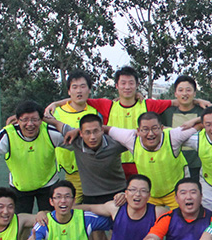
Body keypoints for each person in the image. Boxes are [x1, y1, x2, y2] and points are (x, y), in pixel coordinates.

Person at [45, 66, 185, 178]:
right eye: (123, 83)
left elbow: (177, 102)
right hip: (114, 165)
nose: (127, 87)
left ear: (137, 85)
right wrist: (55, 104)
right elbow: (80, 98)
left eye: (131, 83)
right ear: (117, 86)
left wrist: (196, 101)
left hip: (143, 163)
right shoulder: (107, 105)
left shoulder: (148, 104)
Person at [0, 101, 64, 213]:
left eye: (34, 119)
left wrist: (57, 123)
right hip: (20, 187)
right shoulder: (7, 134)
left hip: (48, 184)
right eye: (25, 120)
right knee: (20, 221)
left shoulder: (51, 132)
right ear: (17, 120)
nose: (30, 124)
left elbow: (76, 142)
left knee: (51, 220)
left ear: (41, 120)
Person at [105, 111, 196, 209]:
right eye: (145, 129)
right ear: (138, 131)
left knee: (183, 217)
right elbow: (103, 128)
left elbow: (204, 124)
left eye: (155, 128)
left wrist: (195, 120)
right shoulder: (131, 138)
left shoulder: (173, 136)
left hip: (176, 192)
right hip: (150, 195)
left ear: (162, 128)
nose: (150, 134)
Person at [44, 113, 127, 206]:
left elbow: (133, 136)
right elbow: (56, 123)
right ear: (80, 133)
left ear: (102, 130)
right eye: (87, 132)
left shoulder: (115, 143)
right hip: (90, 197)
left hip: (118, 194)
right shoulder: (76, 140)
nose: (92, 137)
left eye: (96, 131)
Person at [52, 71, 102, 202]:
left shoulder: (96, 111)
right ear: (69, 91)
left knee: (96, 207)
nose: (79, 91)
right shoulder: (56, 113)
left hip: (94, 170)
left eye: (83, 86)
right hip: (72, 172)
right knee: (72, 206)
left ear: (89, 90)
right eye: (74, 87)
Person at [164, 75, 203, 180]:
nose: (184, 93)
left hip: (197, 165)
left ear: (194, 93)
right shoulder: (167, 112)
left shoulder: (202, 111)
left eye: (188, 90)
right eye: (180, 90)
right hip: (173, 164)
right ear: (175, 93)